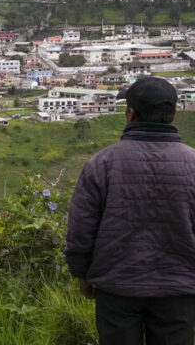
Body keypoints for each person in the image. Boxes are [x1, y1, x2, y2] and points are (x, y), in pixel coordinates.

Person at [65, 76, 195, 345]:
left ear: (130, 115)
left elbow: (81, 229)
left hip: (117, 287)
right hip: (179, 289)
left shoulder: (101, 164)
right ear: (172, 114)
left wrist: (82, 273)